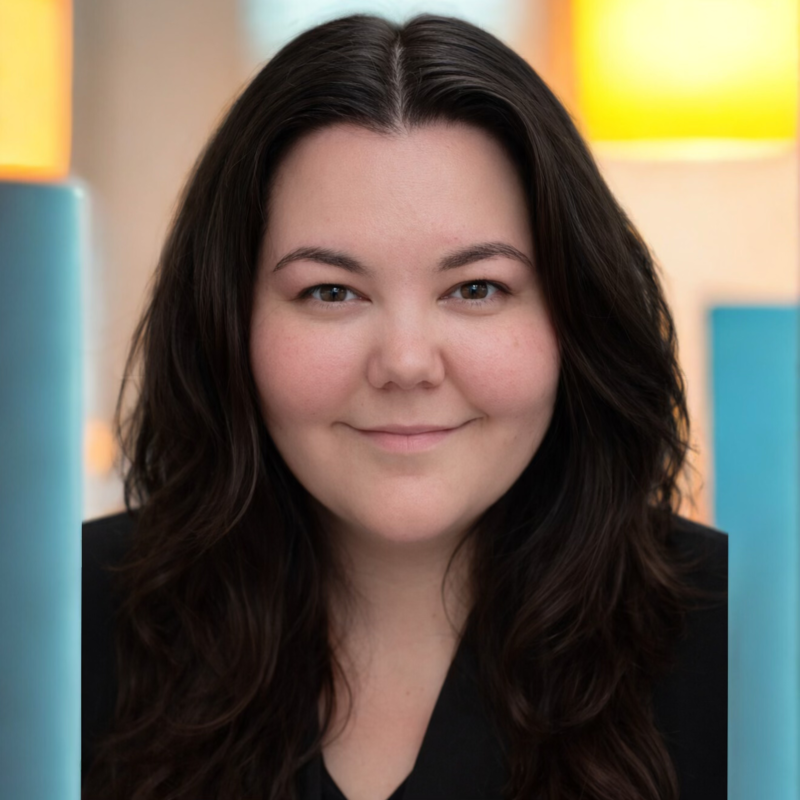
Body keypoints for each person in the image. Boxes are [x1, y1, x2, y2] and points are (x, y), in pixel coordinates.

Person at [81, 12, 727, 800]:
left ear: (575, 314)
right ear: (228, 321)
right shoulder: (54, 633)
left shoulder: (753, 643)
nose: (407, 363)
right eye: (330, 291)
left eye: (476, 288)